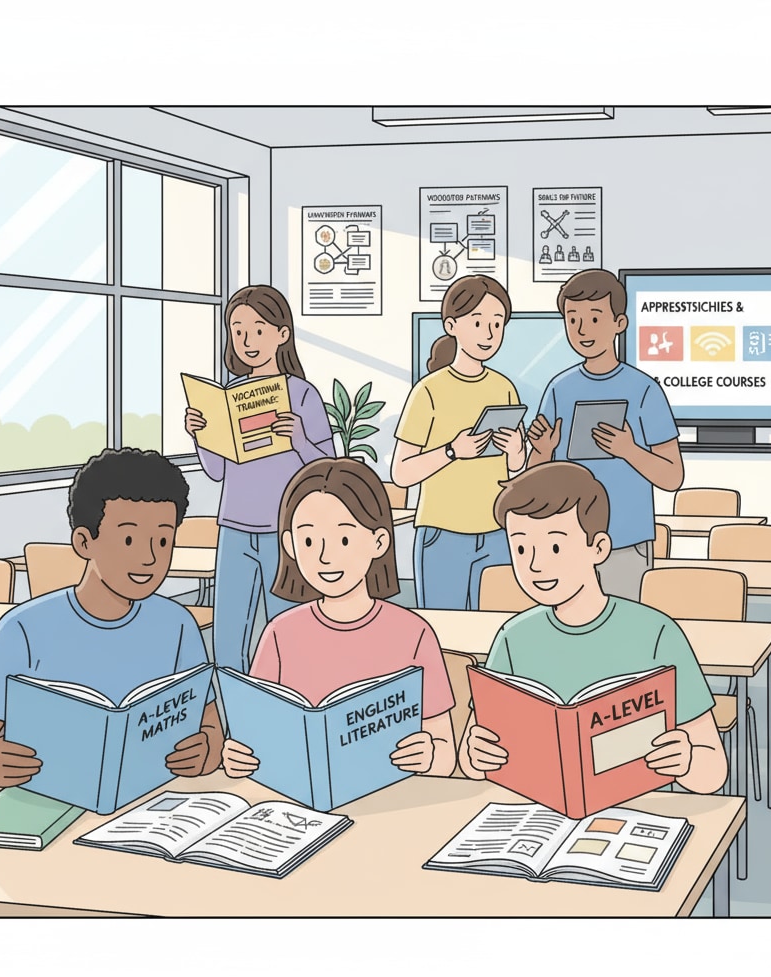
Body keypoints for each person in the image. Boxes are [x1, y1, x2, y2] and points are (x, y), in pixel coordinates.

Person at [0, 448, 223, 787]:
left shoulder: (179, 626)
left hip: (153, 802)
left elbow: (210, 724)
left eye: (163, 540)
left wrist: (206, 748)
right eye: (129, 539)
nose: (149, 557)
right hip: (51, 801)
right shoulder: (24, 631)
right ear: (84, 542)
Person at [458, 461, 726, 795]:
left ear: (598, 548)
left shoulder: (656, 634)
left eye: (555, 547)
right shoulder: (513, 638)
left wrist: (686, 761)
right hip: (534, 808)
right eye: (521, 548)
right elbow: (472, 761)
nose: (536, 564)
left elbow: (712, 771)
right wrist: (476, 755)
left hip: (637, 807)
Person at [221, 458, 456, 780]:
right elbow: (252, 737)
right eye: (308, 541)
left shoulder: (413, 633)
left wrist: (430, 755)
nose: (325, 556)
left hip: (393, 799)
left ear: (379, 541)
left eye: (343, 539)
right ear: (289, 545)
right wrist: (238, 757)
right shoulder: (279, 634)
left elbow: (445, 750)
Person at [184, 285, 334, 672]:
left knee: (286, 634)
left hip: (285, 532)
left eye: (259, 328)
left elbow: (328, 472)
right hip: (234, 529)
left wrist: (299, 439)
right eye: (237, 330)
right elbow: (217, 471)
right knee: (229, 640)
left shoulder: (301, 395)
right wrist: (203, 437)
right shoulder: (228, 395)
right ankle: (236, 722)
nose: (248, 340)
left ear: (283, 334)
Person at [525, 267, 684, 601]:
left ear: (619, 324)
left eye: (595, 319)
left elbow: (672, 477)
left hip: (625, 543)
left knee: (623, 641)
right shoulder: (559, 389)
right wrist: (541, 451)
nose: (582, 330)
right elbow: (535, 479)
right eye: (572, 319)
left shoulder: (644, 390)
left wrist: (628, 450)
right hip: (565, 542)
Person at [391, 275, 526, 610]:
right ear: (451, 325)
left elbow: (514, 469)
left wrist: (516, 452)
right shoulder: (428, 391)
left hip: (497, 531)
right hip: (443, 532)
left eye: (498, 323)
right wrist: (452, 452)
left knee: (492, 630)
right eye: (478, 322)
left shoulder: (504, 388)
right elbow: (401, 473)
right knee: (445, 631)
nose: (489, 333)